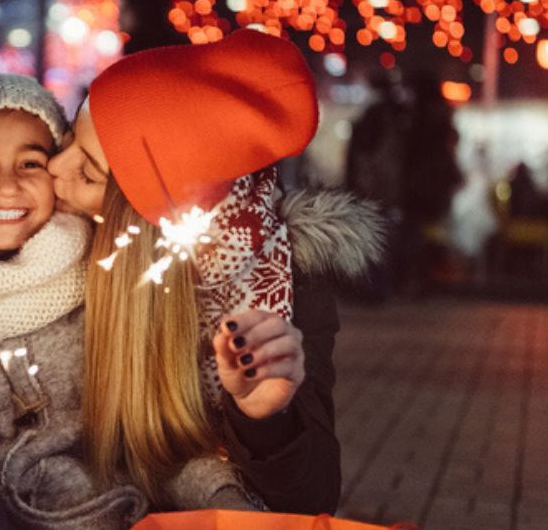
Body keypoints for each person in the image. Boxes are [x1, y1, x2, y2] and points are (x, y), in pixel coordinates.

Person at [0, 74, 255, 530]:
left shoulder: (107, 295)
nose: (8, 184)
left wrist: (224, 496)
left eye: (31, 163)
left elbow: (161, 449)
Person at [47, 30, 386, 514]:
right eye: (66, 140)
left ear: (144, 225)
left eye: (87, 174)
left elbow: (312, 498)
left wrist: (267, 418)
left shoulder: (286, 285)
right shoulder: (58, 249)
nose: (54, 169)